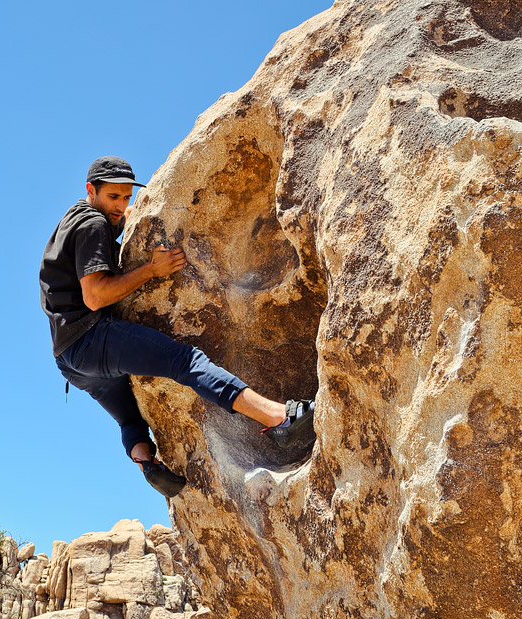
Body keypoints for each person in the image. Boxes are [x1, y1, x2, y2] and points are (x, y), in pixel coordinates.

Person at [39, 156, 315, 497]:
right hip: (92, 340)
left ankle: (146, 461)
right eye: (114, 197)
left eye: (127, 197)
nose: (121, 205)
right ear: (90, 190)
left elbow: (116, 226)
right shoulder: (93, 224)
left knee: (130, 420)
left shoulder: (73, 219)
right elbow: (95, 296)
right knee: (185, 362)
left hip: (70, 361)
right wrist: (151, 271)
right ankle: (279, 418)